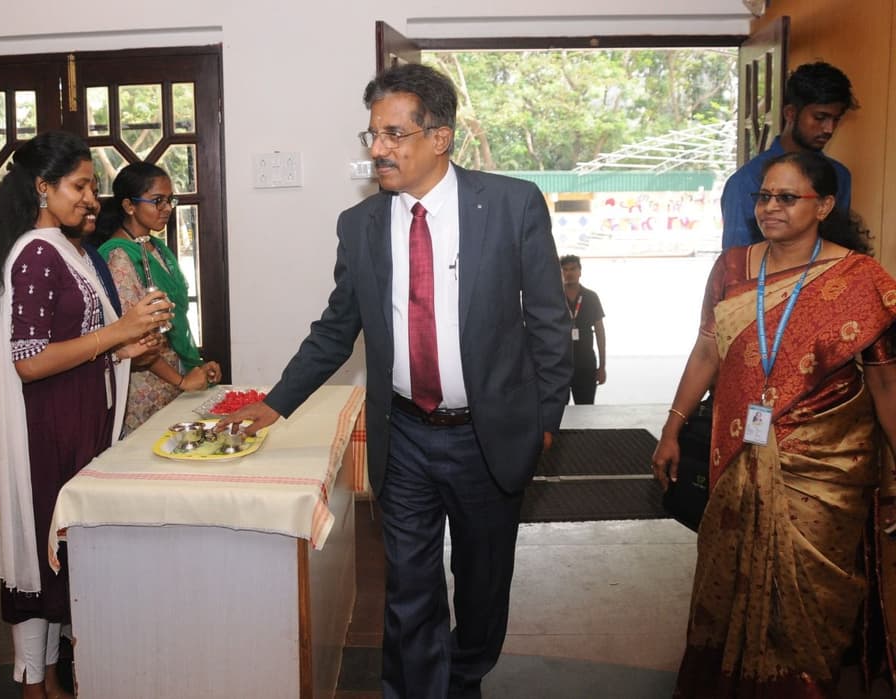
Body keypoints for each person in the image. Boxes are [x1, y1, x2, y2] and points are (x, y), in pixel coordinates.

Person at [217, 64, 571, 699]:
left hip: (489, 437)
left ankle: (465, 676)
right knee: (409, 588)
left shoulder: (511, 205)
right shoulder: (361, 226)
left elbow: (549, 323)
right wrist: (276, 404)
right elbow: (336, 329)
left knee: (483, 587)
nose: (378, 149)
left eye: (393, 134)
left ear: (440, 138)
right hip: (403, 435)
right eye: (372, 135)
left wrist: (544, 421)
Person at [651, 151, 896, 695]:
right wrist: (672, 428)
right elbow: (707, 351)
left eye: (787, 197)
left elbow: (885, 384)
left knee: (811, 594)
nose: (770, 207)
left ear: (824, 206)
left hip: (826, 467)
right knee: (728, 578)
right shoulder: (732, 267)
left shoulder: (860, 280)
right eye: (764, 196)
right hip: (737, 451)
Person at [0, 131, 170, 698]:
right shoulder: (36, 253)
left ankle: (53, 678)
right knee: (45, 552)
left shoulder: (68, 249)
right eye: (79, 186)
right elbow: (30, 361)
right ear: (43, 188)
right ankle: (33, 683)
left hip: (80, 417)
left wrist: (123, 349)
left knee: (64, 556)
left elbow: (76, 345)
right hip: (51, 427)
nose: (91, 199)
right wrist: (118, 332)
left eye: (91, 186)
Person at [94, 162, 221, 433]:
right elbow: (134, 338)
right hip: (145, 383)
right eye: (157, 201)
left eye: (169, 200)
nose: (166, 208)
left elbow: (174, 318)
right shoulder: (119, 257)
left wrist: (196, 367)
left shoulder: (156, 247)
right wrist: (181, 381)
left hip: (173, 377)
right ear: (129, 206)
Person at [721, 61, 856, 249]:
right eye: (820, 117)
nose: (829, 129)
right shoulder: (746, 181)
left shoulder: (839, 175)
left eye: (836, 119)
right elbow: (736, 260)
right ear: (790, 113)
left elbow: (840, 246)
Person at [559, 254, 606, 404]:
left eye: (573, 269)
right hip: (559, 363)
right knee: (558, 411)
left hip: (586, 363)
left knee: (586, 410)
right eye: (565, 269)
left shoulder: (591, 297)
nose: (569, 273)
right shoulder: (554, 298)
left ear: (580, 271)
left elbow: (600, 332)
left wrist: (602, 367)